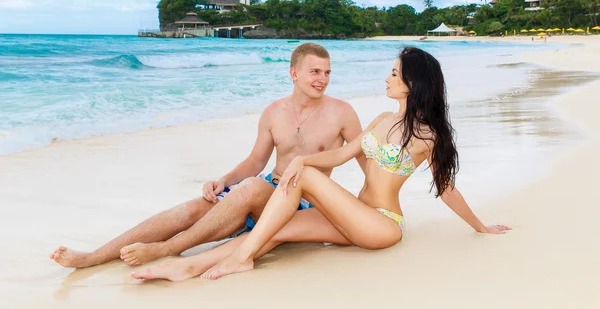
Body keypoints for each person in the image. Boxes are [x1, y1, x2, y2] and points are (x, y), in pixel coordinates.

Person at [131, 46, 511, 282]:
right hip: (356, 213)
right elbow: (342, 155)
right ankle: (187, 267)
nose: (387, 78)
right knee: (274, 227)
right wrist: (307, 160)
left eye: (394, 73)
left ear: (414, 83)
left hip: (383, 226)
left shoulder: (430, 136)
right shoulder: (380, 120)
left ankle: (241, 260)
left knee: (303, 174)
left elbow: (446, 189)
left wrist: (480, 227)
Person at [50, 43, 366, 268]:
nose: (322, 79)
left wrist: (369, 210)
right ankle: (93, 257)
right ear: (294, 73)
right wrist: (222, 180)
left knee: (252, 188)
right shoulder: (274, 112)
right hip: (266, 189)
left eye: (326, 72)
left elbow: (366, 161)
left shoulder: (342, 113)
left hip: (303, 201)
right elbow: (256, 162)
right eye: (314, 71)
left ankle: (167, 249)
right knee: (197, 207)